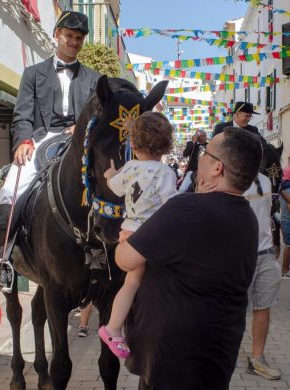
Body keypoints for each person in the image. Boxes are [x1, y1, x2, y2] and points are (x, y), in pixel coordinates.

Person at [116, 128, 263, 390]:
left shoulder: (185, 209)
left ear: (217, 168)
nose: (200, 158)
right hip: (214, 358)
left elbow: (125, 260)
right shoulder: (247, 217)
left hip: (171, 362)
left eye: (205, 153)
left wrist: (126, 236)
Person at [0, 11, 100, 288]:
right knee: (10, 185)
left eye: (79, 38)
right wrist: (23, 141)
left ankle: (103, 253)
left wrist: (82, 127)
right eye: (69, 36)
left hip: (79, 142)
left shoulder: (94, 79)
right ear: (57, 35)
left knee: (106, 187)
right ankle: (2, 262)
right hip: (39, 140)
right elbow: (22, 114)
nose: (74, 42)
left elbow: (98, 114)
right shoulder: (33, 74)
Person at [99, 112, 178, 359]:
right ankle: (115, 328)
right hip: (151, 235)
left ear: (132, 144)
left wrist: (111, 175)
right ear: (167, 145)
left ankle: (114, 327)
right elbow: (172, 205)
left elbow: (115, 187)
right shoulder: (165, 173)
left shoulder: (130, 167)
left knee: (132, 282)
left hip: (129, 232)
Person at [243, 172, 282, 380]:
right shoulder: (230, 177)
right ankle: (223, 355)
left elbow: (268, 215)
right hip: (239, 256)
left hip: (265, 254)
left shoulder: (266, 180)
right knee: (235, 309)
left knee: (263, 308)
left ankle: (257, 359)